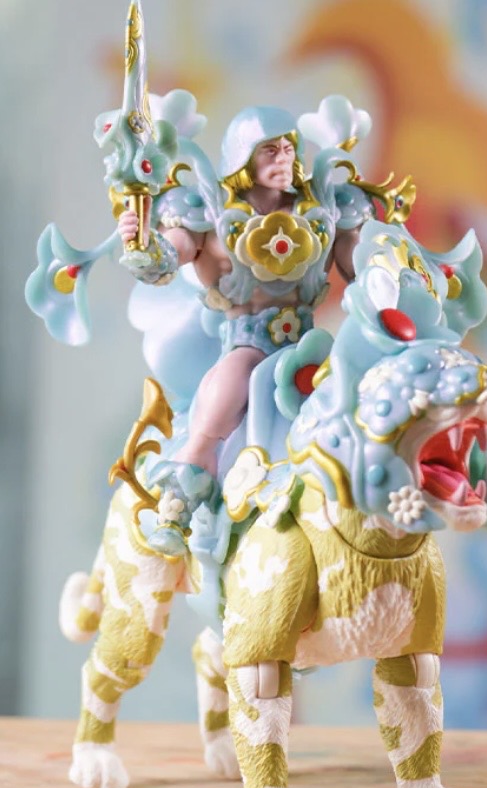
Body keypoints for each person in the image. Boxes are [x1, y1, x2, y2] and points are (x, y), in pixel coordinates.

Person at [119, 105, 364, 554]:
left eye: (288, 149)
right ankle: (186, 487)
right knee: (231, 385)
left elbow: (359, 263)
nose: (283, 158)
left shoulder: (322, 208)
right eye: (270, 150)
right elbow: (169, 255)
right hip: (248, 344)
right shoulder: (208, 213)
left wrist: (388, 268)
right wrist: (143, 244)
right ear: (243, 156)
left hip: (311, 348)